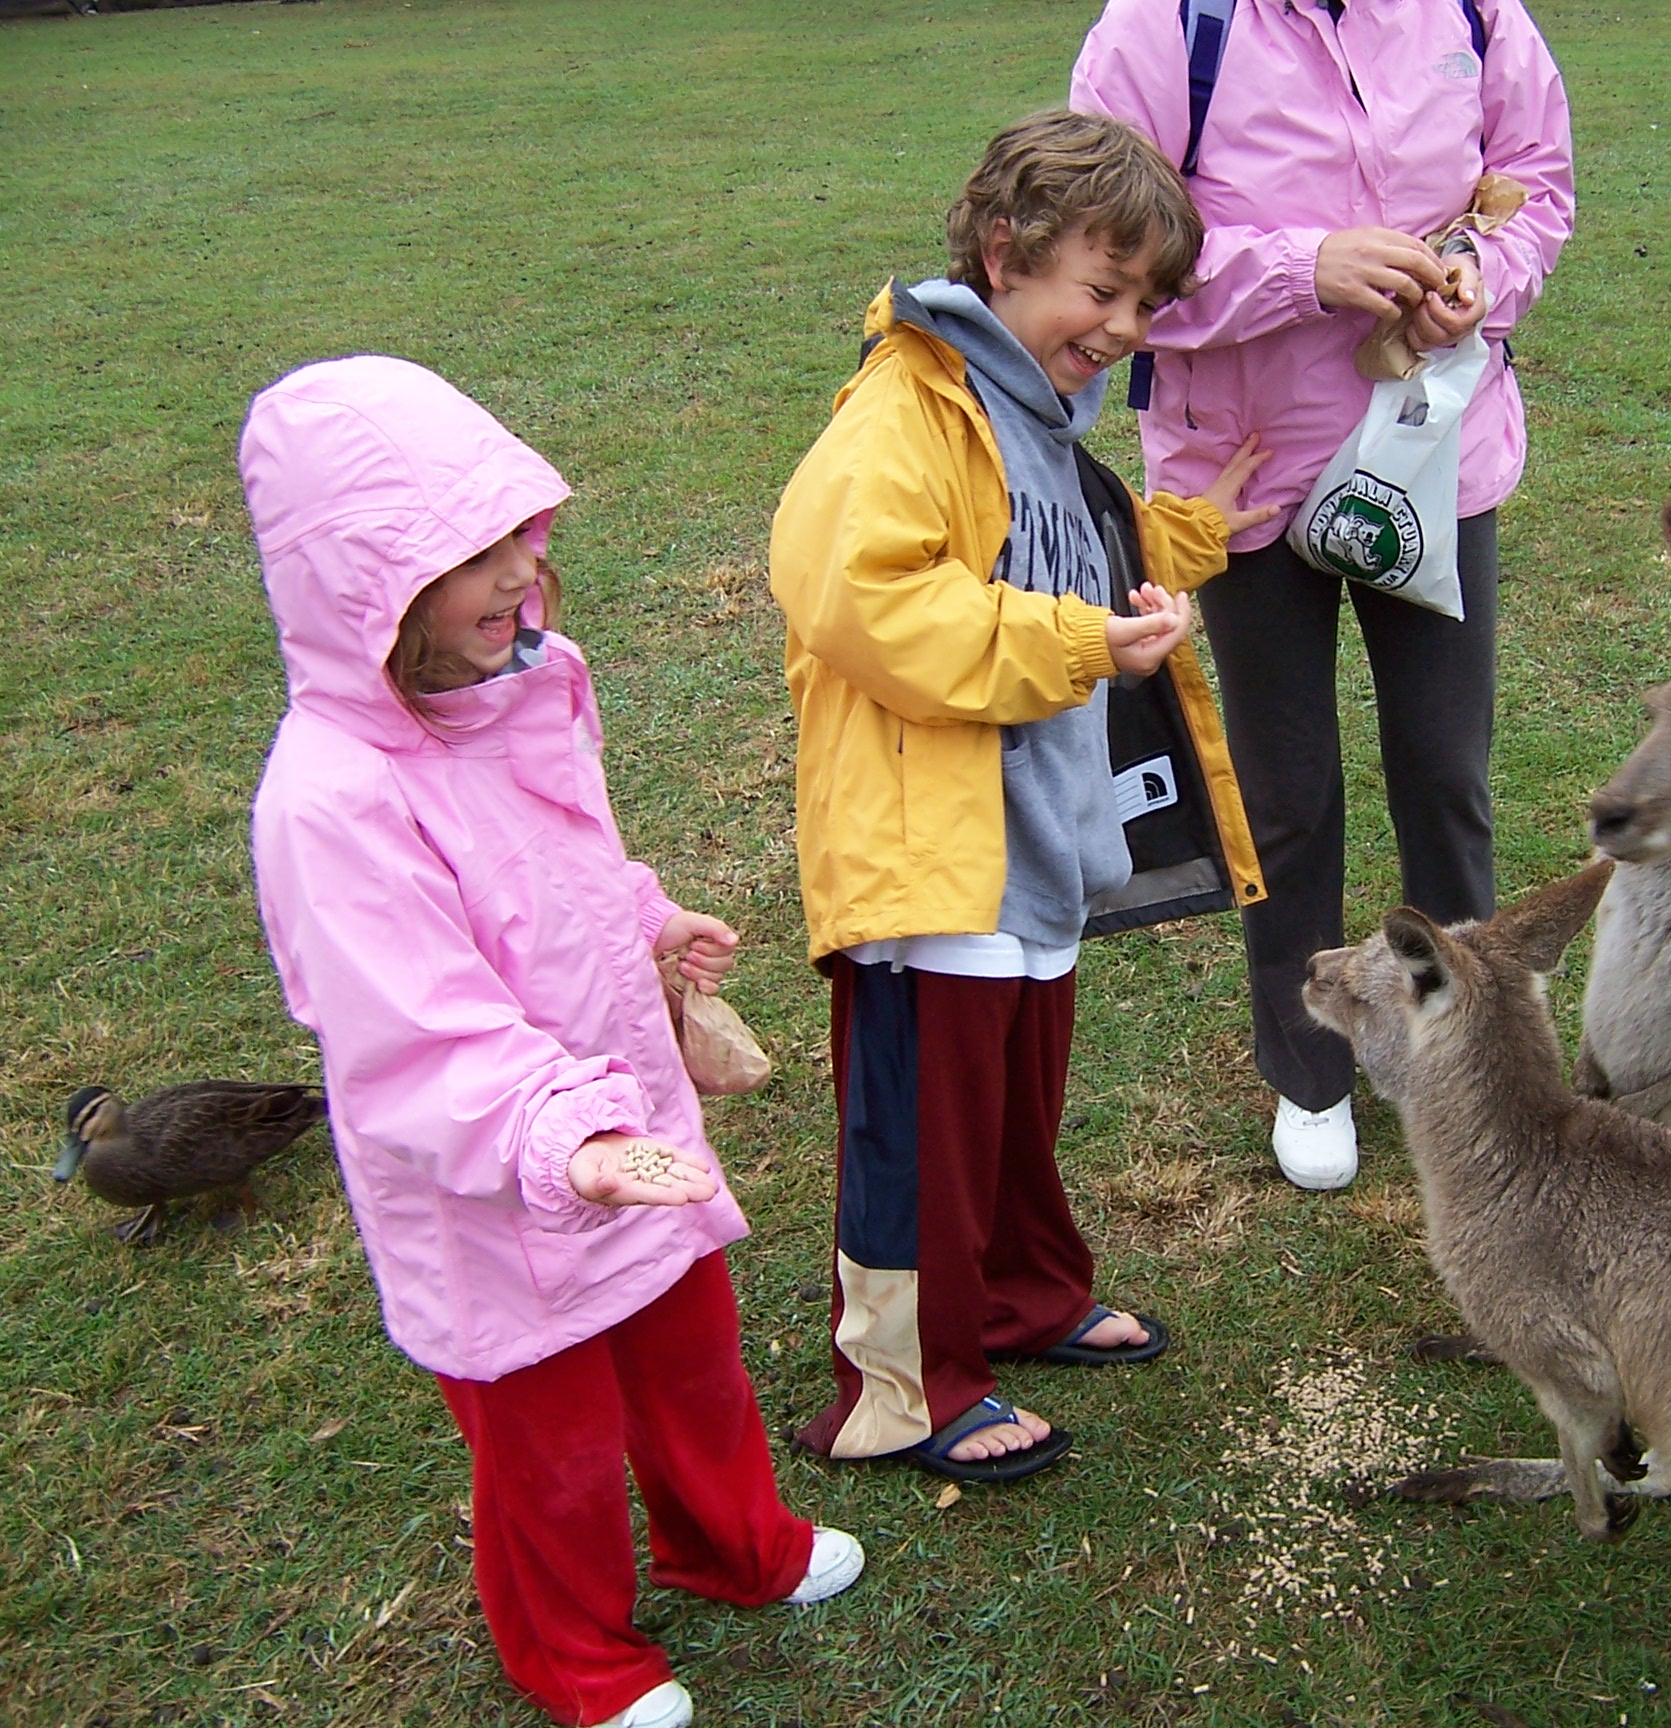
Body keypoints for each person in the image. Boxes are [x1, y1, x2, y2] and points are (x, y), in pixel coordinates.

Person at [242, 356, 860, 1728]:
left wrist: (646, 921)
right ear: (362, 588)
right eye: (471, 552)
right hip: (494, 1186)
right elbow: (417, 1035)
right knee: (553, 1446)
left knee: (691, 1358)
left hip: (622, 1122)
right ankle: (575, 1655)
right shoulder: (331, 804)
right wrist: (564, 1141)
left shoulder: (531, 681)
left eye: (522, 527)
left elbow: (565, 862)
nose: (521, 569)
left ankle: (733, 1547)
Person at [769, 110, 1275, 1482]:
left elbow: (1063, 556)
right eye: (1100, 290)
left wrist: (1184, 536)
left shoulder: (1041, 415)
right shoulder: (914, 405)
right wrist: (1067, 646)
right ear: (1006, 253)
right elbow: (859, 594)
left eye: (1143, 304)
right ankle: (903, 1393)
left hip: (1030, 835)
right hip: (934, 857)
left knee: (1011, 1109)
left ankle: (1023, 1298)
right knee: (924, 1134)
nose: (1120, 325)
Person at [1073, 0, 1575, 1189]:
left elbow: (1536, 181)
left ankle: (1468, 1058)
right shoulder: (1165, 28)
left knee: (1445, 771)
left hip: (1433, 459)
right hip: (1247, 483)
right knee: (1287, 791)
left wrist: (1481, 278)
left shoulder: (1472, 11)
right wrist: (1308, 269)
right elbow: (1101, 261)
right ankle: (1309, 1072)